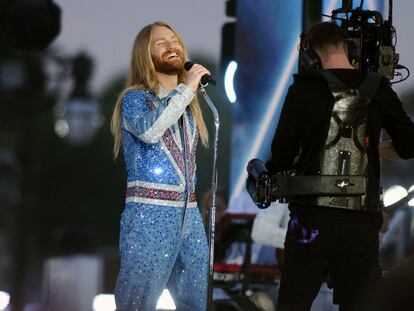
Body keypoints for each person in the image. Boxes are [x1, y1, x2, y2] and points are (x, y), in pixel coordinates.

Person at [266, 22, 414, 311]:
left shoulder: (301, 90)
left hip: (309, 223)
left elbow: (280, 158)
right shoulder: (378, 88)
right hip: (361, 224)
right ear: (349, 49)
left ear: (310, 54)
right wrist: (372, 149)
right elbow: (409, 146)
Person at [111, 21, 211, 311]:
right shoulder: (134, 99)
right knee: (137, 303)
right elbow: (149, 131)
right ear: (146, 54)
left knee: (196, 303)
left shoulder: (189, 107)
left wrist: (186, 93)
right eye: (161, 42)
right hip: (149, 214)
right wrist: (187, 88)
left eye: (175, 40)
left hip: (190, 216)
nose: (172, 45)